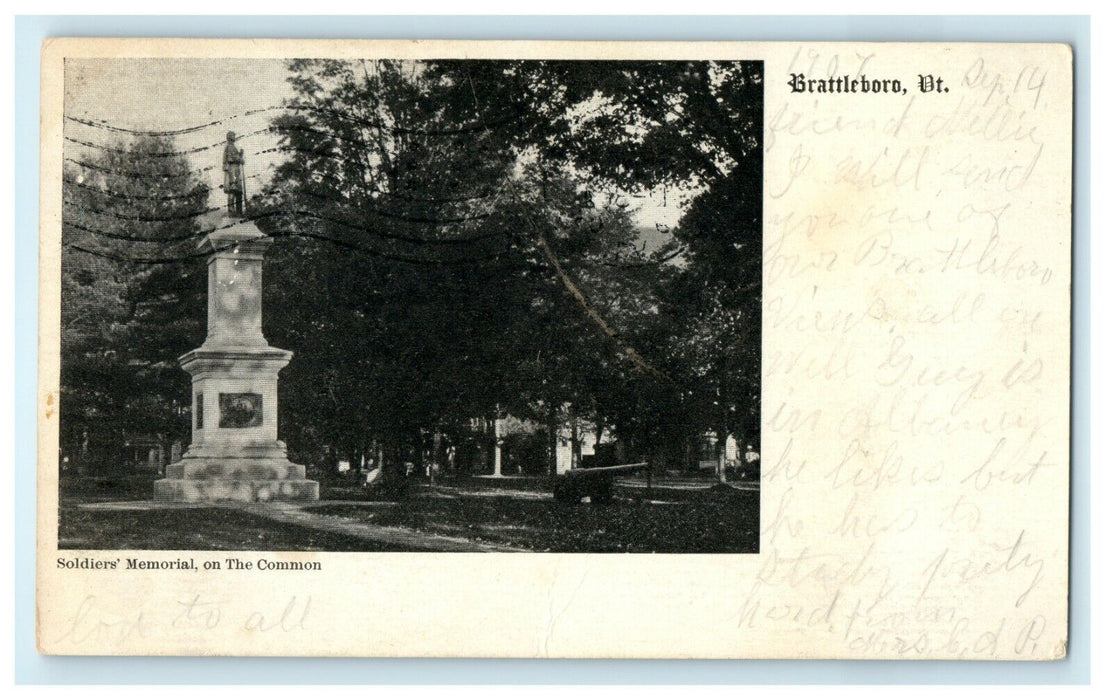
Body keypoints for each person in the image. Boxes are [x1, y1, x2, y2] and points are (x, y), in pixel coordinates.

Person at [222, 131, 245, 215]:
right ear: (231, 137)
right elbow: (231, 158)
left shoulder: (231, 147)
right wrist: (240, 158)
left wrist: (240, 155)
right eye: (233, 136)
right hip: (232, 171)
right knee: (233, 190)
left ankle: (238, 211)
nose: (234, 137)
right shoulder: (230, 147)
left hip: (235, 171)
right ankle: (233, 211)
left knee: (237, 191)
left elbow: (235, 157)